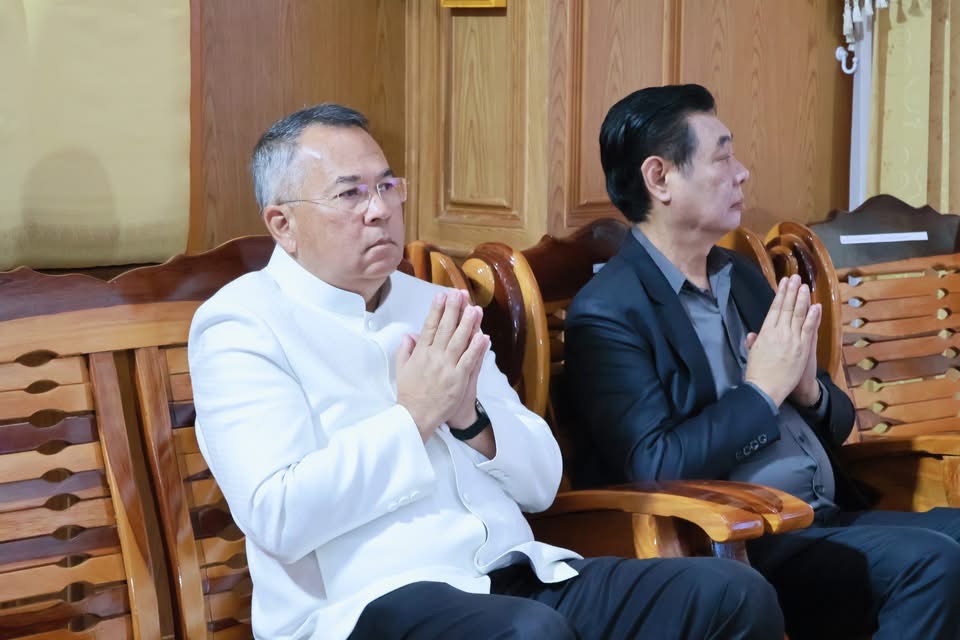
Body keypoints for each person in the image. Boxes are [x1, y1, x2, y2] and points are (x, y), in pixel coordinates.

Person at [187, 103, 785, 640]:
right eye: (350, 194)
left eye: (388, 186)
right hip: (365, 605)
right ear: (282, 224)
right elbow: (280, 517)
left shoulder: (433, 303)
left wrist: (471, 421)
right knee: (529, 633)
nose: (380, 210)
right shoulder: (242, 325)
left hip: (514, 574)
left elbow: (542, 482)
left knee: (731, 594)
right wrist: (414, 415)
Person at [565, 83, 960, 640]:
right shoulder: (609, 312)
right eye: (722, 157)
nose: (742, 172)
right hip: (742, 542)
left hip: (824, 514)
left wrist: (807, 390)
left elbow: (836, 422)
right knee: (932, 565)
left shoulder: (740, 275)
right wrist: (761, 393)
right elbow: (653, 464)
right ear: (659, 178)